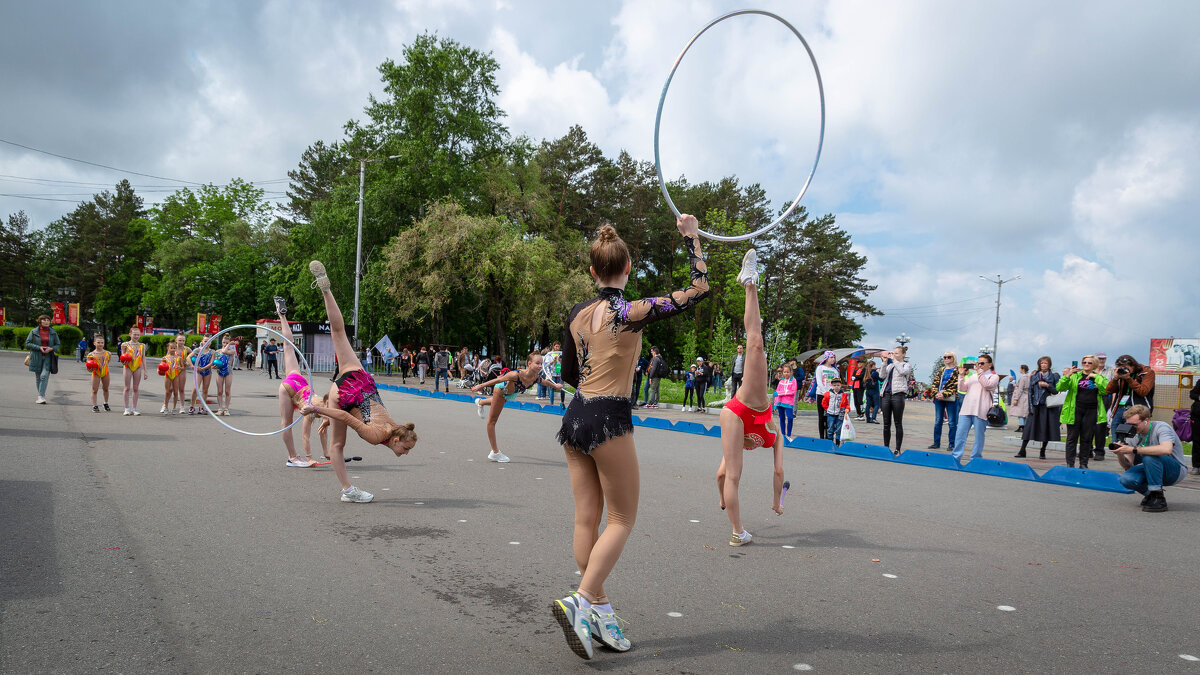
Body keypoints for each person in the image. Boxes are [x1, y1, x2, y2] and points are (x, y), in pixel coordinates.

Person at [551, 217, 708, 660]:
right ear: (629, 267)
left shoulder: (577, 313)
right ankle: (582, 602)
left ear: (591, 270)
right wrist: (692, 237)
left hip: (574, 416)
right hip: (607, 417)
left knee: (587, 520)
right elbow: (697, 290)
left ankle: (599, 607)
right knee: (621, 519)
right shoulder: (628, 311)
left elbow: (565, 374)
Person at [299, 262, 419, 502]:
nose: (405, 453)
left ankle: (325, 289)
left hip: (360, 379)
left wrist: (328, 417)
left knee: (339, 333)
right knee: (337, 447)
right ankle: (348, 491)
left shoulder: (395, 427)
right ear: (395, 440)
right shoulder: (376, 436)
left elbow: (355, 415)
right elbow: (345, 417)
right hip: (345, 393)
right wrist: (318, 410)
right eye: (405, 449)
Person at [716, 248, 785, 547]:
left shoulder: (749, 437)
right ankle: (749, 281)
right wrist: (776, 502)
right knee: (755, 341)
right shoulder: (775, 432)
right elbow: (779, 470)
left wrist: (722, 498)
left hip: (735, 412)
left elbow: (720, 476)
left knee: (755, 340)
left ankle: (749, 282)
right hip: (750, 402)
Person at [472, 352, 563, 463]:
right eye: (537, 363)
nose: (540, 366)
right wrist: (480, 386)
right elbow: (498, 380)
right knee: (492, 421)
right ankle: (494, 453)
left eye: (541, 363)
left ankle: (480, 402)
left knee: (497, 404)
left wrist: (555, 386)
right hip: (501, 390)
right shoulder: (515, 375)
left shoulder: (535, 377)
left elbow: (545, 383)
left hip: (511, 393)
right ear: (529, 363)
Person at [272, 298, 330, 468]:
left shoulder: (325, 405)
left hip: (300, 381)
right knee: (286, 424)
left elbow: (322, 432)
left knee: (289, 347)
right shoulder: (312, 412)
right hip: (291, 388)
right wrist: (310, 458)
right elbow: (306, 435)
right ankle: (293, 457)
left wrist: (326, 453)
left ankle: (282, 316)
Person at [1113, 404, 1188, 512]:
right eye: (1128, 424)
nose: (1131, 428)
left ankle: (1158, 498)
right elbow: (1128, 465)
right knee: (1126, 479)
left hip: (1174, 470)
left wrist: (1134, 449)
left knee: (1149, 455)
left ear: (1146, 420)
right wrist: (1120, 453)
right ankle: (1152, 495)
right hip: (1151, 467)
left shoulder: (1161, 427)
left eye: (1134, 424)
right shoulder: (1133, 434)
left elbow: (1166, 449)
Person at [1056, 355, 1109, 469]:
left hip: (1091, 410)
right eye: (1084, 362)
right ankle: (1070, 463)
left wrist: (1095, 377)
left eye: (1089, 363)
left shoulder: (1099, 377)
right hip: (1075, 410)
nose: (1086, 364)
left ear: (1094, 364)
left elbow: (1106, 389)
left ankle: (1083, 463)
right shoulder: (1075, 376)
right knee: (1072, 438)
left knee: (1086, 438)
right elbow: (1059, 388)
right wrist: (1068, 375)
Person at [951, 354, 999, 462]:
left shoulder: (994, 376)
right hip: (966, 408)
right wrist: (961, 376)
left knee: (979, 437)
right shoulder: (973, 376)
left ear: (990, 364)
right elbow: (962, 389)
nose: (979, 365)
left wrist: (979, 372)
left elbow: (987, 385)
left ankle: (975, 459)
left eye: (982, 363)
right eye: (978, 363)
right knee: (960, 435)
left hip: (981, 410)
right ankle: (955, 457)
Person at [1017, 356, 1061, 459]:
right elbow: (1030, 393)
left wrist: (1047, 385)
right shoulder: (1034, 376)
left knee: (1046, 428)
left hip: (1048, 406)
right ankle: (1022, 450)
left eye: (1045, 363)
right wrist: (1031, 407)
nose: (1043, 365)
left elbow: (1056, 391)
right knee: (1028, 428)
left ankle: (1043, 451)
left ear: (1049, 365)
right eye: (1042, 363)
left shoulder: (1054, 377)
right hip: (1036, 405)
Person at [1105, 354, 1155, 438]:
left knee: (1133, 438)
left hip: (1137, 409)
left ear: (1133, 366)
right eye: (1121, 367)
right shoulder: (1120, 374)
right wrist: (1115, 378)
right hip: (1120, 408)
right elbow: (1108, 391)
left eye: (1126, 367)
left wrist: (1129, 378)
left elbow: (1143, 391)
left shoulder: (1147, 372)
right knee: (1117, 438)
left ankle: (1133, 450)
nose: (1124, 369)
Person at [878, 346, 913, 454]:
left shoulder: (906, 365)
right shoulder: (890, 366)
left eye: (896, 353)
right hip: (886, 395)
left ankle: (897, 448)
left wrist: (894, 360)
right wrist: (884, 363)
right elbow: (882, 376)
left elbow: (902, 372)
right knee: (886, 423)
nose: (893, 355)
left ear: (903, 355)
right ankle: (886, 447)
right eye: (893, 353)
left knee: (898, 422)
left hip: (898, 395)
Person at [929, 351, 961, 450]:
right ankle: (936, 442)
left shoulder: (957, 370)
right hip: (939, 397)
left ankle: (952, 444)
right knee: (938, 420)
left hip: (951, 398)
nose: (946, 359)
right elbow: (935, 382)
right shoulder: (941, 369)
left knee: (952, 422)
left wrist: (944, 394)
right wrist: (936, 393)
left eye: (949, 357)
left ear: (953, 358)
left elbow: (956, 385)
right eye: (945, 357)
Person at [25, 314, 60, 404]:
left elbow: (57, 344)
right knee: (38, 377)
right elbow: (28, 343)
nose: (46, 321)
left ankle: (40, 396)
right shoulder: (33, 332)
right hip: (36, 356)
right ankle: (42, 395)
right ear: (40, 321)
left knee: (43, 376)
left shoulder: (53, 332)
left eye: (48, 320)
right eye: (44, 320)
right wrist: (39, 347)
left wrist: (51, 348)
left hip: (48, 357)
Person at [809, 351, 839, 439]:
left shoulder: (835, 370)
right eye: (831, 357)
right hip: (821, 395)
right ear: (826, 358)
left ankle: (828, 437)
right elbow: (819, 381)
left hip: (832, 396)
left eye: (834, 357)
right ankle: (821, 437)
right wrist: (825, 392)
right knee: (821, 417)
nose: (833, 359)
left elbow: (836, 383)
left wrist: (832, 393)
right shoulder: (820, 368)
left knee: (830, 417)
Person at [120, 326, 148, 415]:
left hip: (137, 368)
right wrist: (123, 362)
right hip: (127, 367)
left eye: (138, 335)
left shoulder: (142, 345)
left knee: (135, 388)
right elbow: (122, 357)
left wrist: (145, 371)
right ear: (130, 334)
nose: (136, 336)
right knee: (127, 388)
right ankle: (126, 408)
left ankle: (134, 409)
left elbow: (143, 358)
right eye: (134, 334)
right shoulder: (125, 344)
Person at [85, 333, 113, 412]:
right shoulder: (91, 355)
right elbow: (88, 367)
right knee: (94, 390)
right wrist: (90, 369)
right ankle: (95, 405)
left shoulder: (108, 353)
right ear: (94, 343)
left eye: (102, 342)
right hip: (96, 373)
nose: (100, 344)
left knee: (106, 389)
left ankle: (105, 403)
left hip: (105, 372)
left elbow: (107, 363)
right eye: (98, 342)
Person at [821, 377, 851, 446]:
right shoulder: (828, 394)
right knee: (830, 428)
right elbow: (824, 402)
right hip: (830, 414)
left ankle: (837, 443)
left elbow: (847, 404)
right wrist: (827, 409)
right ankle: (830, 443)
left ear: (840, 385)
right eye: (834, 385)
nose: (836, 387)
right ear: (831, 386)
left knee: (838, 429)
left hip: (839, 414)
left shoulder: (843, 395)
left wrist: (847, 409)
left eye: (838, 385)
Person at [189, 339, 214, 415]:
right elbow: (188, 357)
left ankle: (202, 407)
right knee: (195, 389)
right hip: (198, 371)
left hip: (207, 371)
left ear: (211, 342)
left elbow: (211, 362)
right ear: (202, 342)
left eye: (209, 341)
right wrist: (192, 366)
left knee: (205, 390)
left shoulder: (212, 351)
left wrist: (203, 368)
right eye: (205, 341)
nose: (207, 342)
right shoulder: (197, 350)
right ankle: (192, 406)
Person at [774, 364, 798, 439]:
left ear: (791, 372)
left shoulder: (793, 381)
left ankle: (789, 435)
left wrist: (780, 393)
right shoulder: (781, 381)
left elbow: (792, 392)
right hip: (780, 403)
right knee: (781, 418)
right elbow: (776, 393)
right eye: (784, 372)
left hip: (788, 403)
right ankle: (783, 435)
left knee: (790, 418)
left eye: (788, 372)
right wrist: (775, 405)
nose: (786, 373)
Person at [159, 342, 182, 414]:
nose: (173, 349)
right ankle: (165, 406)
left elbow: (183, 367)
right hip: (168, 375)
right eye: (171, 348)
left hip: (176, 375)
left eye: (174, 348)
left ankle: (174, 408)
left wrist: (180, 367)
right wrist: (160, 371)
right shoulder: (164, 358)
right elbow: (160, 367)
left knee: (175, 392)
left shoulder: (178, 358)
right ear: (168, 348)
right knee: (167, 391)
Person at [171, 334, 191, 415]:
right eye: (180, 340)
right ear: (176, 340)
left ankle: (182, 407)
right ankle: (166, 405)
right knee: (171, 389)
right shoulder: (172, 348)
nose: (181, 342)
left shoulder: (187, 349)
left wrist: (189, 361)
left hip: (182, 371)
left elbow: (194, 355)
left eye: (183, 340)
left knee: (181, 389)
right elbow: (166, 357)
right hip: (173, 371)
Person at [1010, 365, 1030, 432]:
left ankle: (1021, 426)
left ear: (1023, 369)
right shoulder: (1028, 377)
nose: (1019, 369)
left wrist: (1016, 398)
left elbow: (1020, 389)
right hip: (1027, 396)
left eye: (1020, 368)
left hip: (1022, 397)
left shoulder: (1023, 377)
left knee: (1020, 412)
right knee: (1025, 413)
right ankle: (1025, 426)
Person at [862, 357, 881, 424]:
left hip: (868, 391)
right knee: (877, 405)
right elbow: (881, 379)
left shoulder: (867, 373)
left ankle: (868, 418)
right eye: (875, 365)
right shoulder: (875, 373)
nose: (875, 367)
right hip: (875, 391)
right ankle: (873, 418)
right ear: (873, 366)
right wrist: (878, 372)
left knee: (868, 405)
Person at [1189, 378, 1200, 475]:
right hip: (1197, 417)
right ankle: (1196, 466)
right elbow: (1192, 394)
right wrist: (1198, 397)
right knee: (1197, 441)